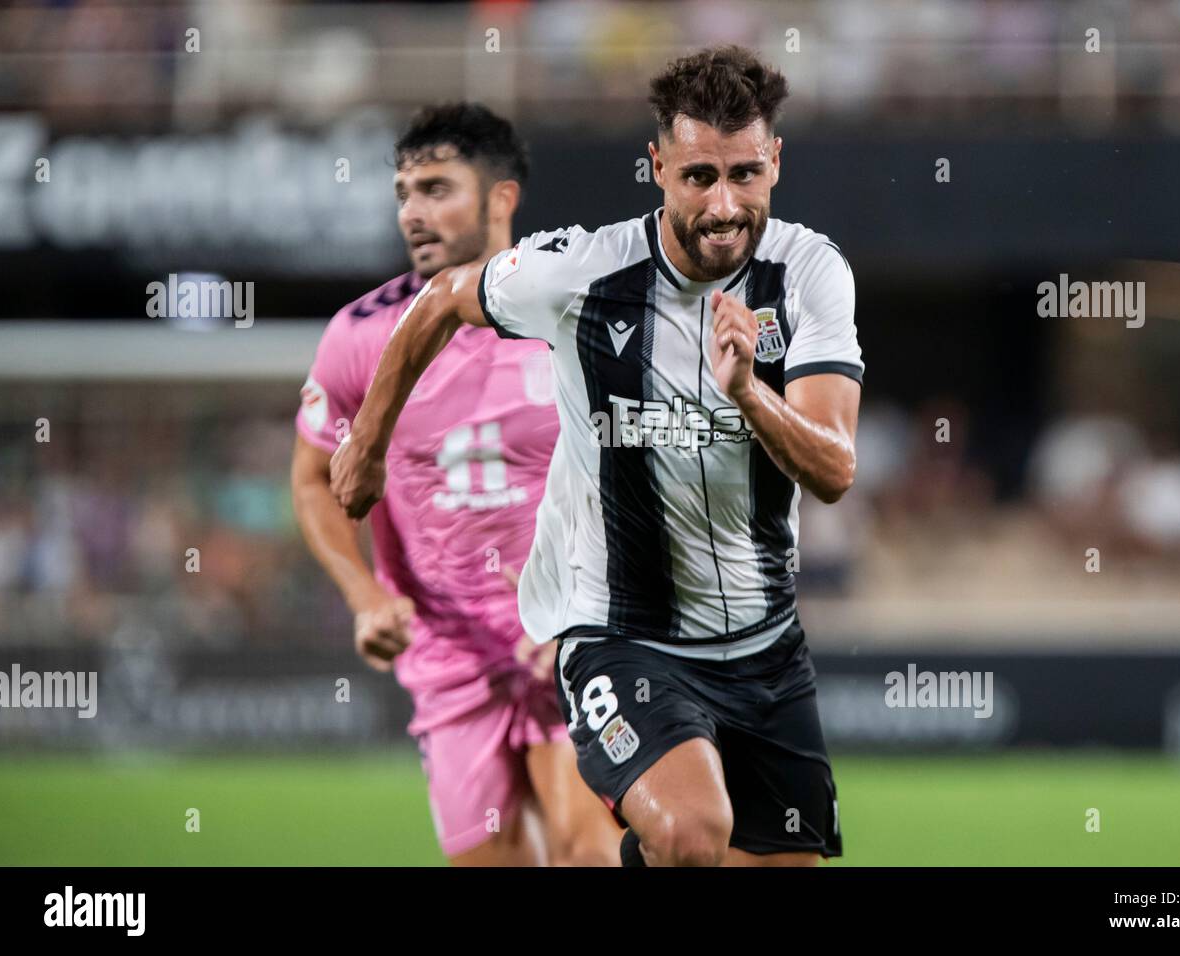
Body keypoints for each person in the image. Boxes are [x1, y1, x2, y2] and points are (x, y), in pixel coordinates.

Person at [331, 47, 864, 866]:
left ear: (776, 163)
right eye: (698, 177)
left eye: (746, 175)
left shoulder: (809, 274)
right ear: (656, 166)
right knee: (693, 833)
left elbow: (832, 470)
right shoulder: (582, 272)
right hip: (620, 635)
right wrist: (366, 445)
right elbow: (438, 300)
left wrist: (749, 393)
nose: (725, 205)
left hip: (765, 646)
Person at [291, 103, 620, 866]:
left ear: (502, 198)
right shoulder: (360, 336)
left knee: (591, 852)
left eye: (437, 188)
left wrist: (595, 603)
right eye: (404, 191)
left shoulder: (572, 311)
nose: (413, 211)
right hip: (450, 666)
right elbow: (313, 480)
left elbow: (640, 474)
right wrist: (363, 594)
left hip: (573, 646)